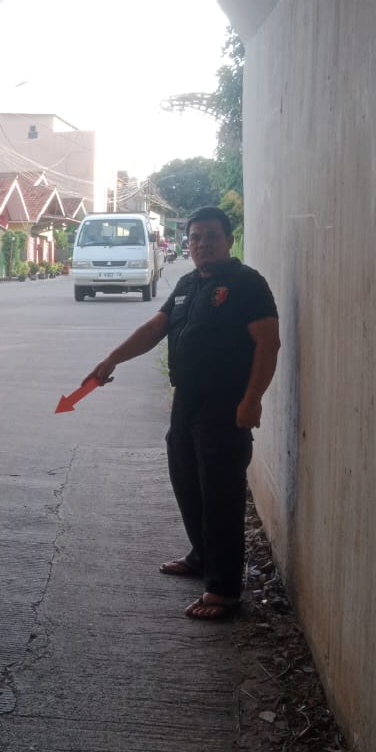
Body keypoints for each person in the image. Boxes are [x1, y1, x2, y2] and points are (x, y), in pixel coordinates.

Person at [87, 206, 280, 621]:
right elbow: (155, 329)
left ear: (229, 240)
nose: (201, 244)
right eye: (194, 238)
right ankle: (202, 556)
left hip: (225, 404)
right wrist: (112, 359)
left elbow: (268, 343)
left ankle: (224, 589)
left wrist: (253, 398)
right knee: (186, 480)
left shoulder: (247, 284)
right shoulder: (188, 284)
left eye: (210, 236)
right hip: (187, 400)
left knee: (221, 494)